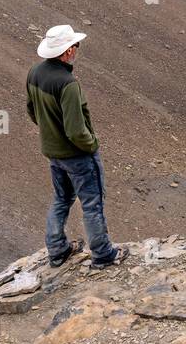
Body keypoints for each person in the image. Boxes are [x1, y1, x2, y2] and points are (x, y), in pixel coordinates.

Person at [26, 25, 125, 270]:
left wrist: (51, 134)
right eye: (76, 46)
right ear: (68, 51)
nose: (77, 50)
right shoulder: (68, 83)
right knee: (92, 203)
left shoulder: (34, 73)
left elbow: (32, 110)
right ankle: (103, 254)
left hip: (53, 153)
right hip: (77, 156)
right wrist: (91, 145)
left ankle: (57, 250)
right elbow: (75, 130)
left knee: (61, 199)